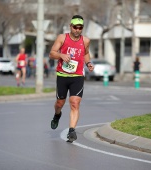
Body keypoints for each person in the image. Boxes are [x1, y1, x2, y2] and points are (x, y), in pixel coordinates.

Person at [49, 15, 94, 143]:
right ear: (70, 26)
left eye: (80, 27)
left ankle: (71, 131)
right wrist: (61, 55)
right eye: (75, 27)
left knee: (75, 103)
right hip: (62, 76)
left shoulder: (85, 40)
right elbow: (52, 53)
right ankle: (57, 115)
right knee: (60, 103)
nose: (77, 30)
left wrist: (88, 63)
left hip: (77, 76)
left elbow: (85, 53)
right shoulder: (62, 38)